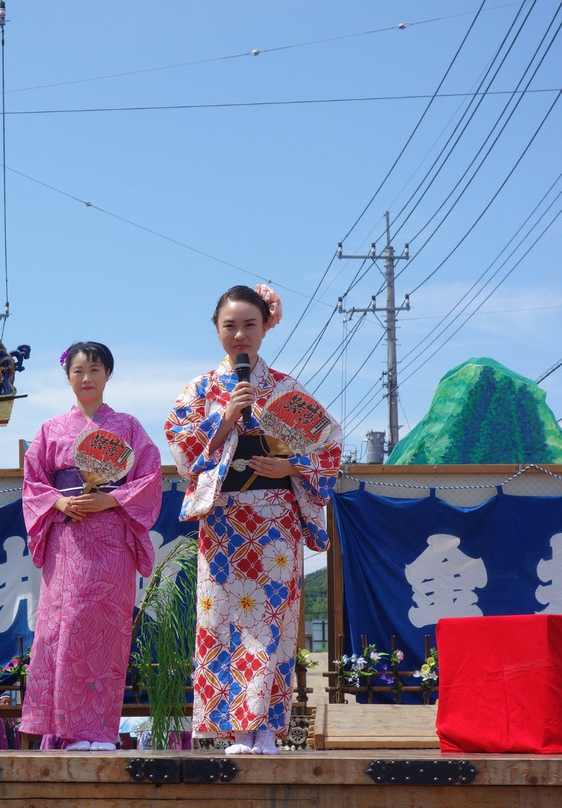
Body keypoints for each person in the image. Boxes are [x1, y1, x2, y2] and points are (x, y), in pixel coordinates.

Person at [164, 284, 343, 756]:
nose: (240, 333)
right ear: (216, 330)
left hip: (275, 522)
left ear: (266, 327)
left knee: (272, 625)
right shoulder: (201, 390)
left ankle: (264, 728)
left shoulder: (287, 389)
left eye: (249, 324)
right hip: (223, 522)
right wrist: (223, 419)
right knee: (222, 622)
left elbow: (328, 447)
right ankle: (235, 727)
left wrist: (292, 467)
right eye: (230, 325)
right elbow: (181, 450)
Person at [19, 341, 163, 752]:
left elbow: (149, 478)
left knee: (104, 633)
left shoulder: (130, 427)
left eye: (95, 369)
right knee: (62, 634)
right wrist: (59, 500)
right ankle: (64, 731)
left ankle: (98, 731)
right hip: (67, 541)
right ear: (68, 376)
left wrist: (111, 498)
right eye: (79, 370)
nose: (87, 378)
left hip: (111, 542)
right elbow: (34, 484)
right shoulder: (50, 430)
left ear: (108, 375)